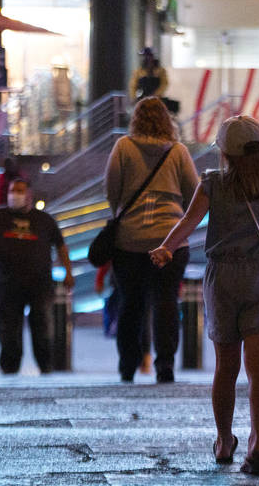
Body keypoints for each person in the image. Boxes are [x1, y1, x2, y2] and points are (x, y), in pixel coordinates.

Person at [151, 115, 259, 476]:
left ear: (225, 153)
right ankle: (257, 440)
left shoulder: (213, 183)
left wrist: (168, 248)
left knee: (225, 368)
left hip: (223, 279)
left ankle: (224, 438)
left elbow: (187, 222)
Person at [105, 96, 199, 384]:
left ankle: (127, 366)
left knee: (130, 304)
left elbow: (112, 189)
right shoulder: (178, 152)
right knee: (166, 302)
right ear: (166, 120)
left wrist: (124, 214)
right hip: (169, 242)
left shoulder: (123, 147)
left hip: (129, 242)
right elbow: (194, 192)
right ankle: (165, 365)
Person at [0, 178, 74, 374]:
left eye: (19, 190)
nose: (15, 194)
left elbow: (61, 246)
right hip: (7, 283)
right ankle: (10, 368)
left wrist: (68, 272)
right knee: (8, 329)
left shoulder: (44, 220)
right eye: (12, 190)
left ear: (29, 194)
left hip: (39, 284)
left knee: (42, 326)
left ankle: (45, 366)